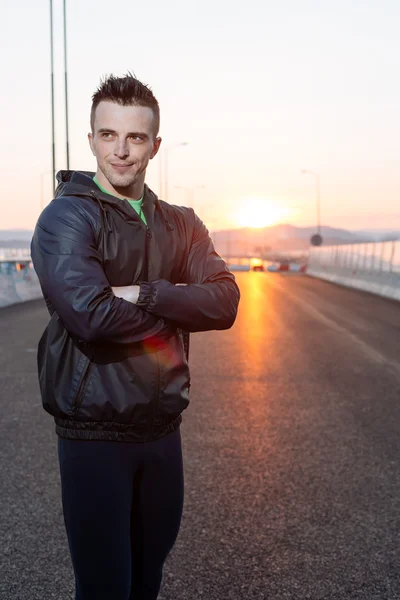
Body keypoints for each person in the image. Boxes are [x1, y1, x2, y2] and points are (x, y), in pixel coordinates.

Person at [30, 73, 240, 600]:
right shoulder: (66, 217)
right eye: (108, 135)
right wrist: (181, 305)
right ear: (92, 139)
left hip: (163, 428)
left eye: (136, 138)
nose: (120, 151)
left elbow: (226, 302)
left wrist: (143, 294)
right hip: (94, 432)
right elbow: (91, 317)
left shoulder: (182, 222)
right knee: (106, 588)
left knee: (147, 582)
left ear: (155, 145)